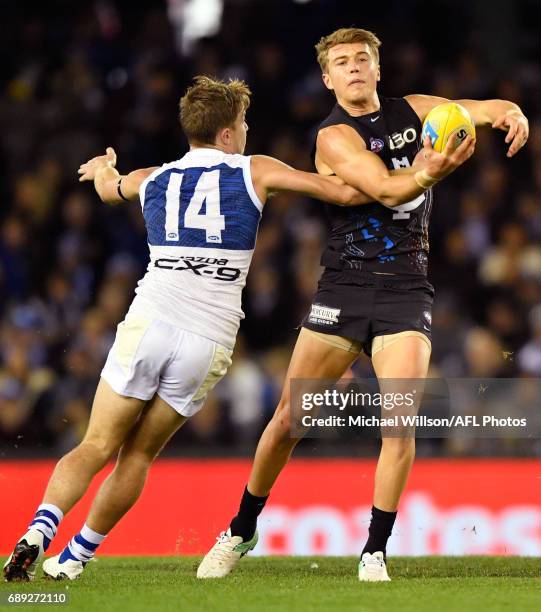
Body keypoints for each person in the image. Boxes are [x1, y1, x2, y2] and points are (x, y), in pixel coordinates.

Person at [2, 74, 469, 583]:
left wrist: (103, 170)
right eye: (242, 123)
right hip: (207, 337)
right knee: (138, 454)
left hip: (150, 320)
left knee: (95, 445)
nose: (245, 131)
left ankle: (38, 532)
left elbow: (111, 190)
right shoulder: (257, 170)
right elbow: (346, 192)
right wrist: (416, 171)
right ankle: (74, 558)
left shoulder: (153, 177)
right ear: (228, 134)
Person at [198, 27, 528, 582]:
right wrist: (428, 172)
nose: (353, 68)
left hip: (406, 290)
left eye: (362, 59)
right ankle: (239, 529)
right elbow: (385, 187)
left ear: (378, 68)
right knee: (288, 420)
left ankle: (373, 550)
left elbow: (478, 109)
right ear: (328, 79)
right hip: (344, 288)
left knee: (399, 424)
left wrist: (510, 111)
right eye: (342, 63)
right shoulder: (332, 137)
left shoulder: (417, 110)